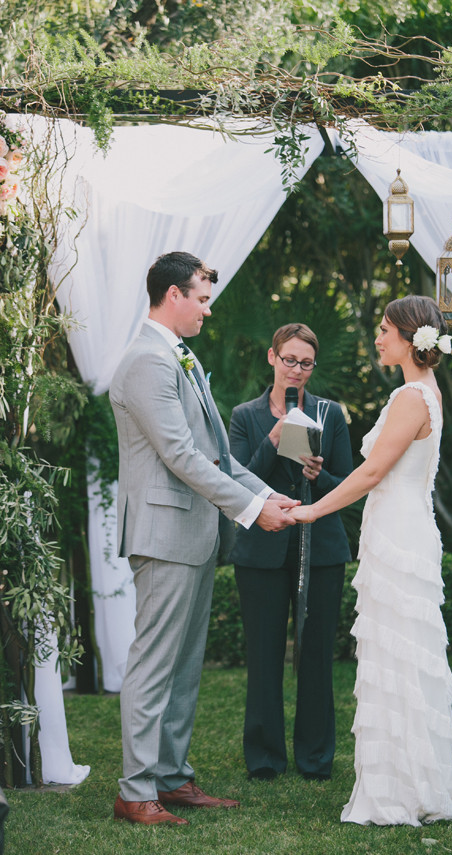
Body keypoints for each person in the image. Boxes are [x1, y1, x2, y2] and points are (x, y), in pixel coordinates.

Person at [287, 296, 452, 826]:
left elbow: (371, 472)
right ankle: (408, 781)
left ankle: (402, 789)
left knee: (398, 654)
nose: (378, 338)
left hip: (400, 534)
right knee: (397, 654)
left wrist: (312, 510)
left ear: (410, 337)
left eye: (385, 330)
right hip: (403, 526)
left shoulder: (410, 396)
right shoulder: (426, 391)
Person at [109, 251, 297, 826]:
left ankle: (170, 778)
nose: (207, 311)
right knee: (153, 665)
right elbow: (181, 455)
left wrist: (269, 496)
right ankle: (135, 791)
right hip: (163, 535)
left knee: (185, 666)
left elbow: (217, 454)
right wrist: (251, 511)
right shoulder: (148, 360)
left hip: (191, 534)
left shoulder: (179, 356)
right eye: (202, 298)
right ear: (174, 295)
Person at [229, 323, 353, 781]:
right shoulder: (245, 415)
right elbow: (237, 480)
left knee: (316, 653)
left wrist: (319, 476)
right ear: (272, 357)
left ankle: (315, 756)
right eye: (289, 360)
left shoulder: (330, 413)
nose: (297, 370)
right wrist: (274, 439)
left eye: (306, 363)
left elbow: (348, 485)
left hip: (321, 548)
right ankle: (264, 757)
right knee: (263, 655)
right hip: (260, 551)